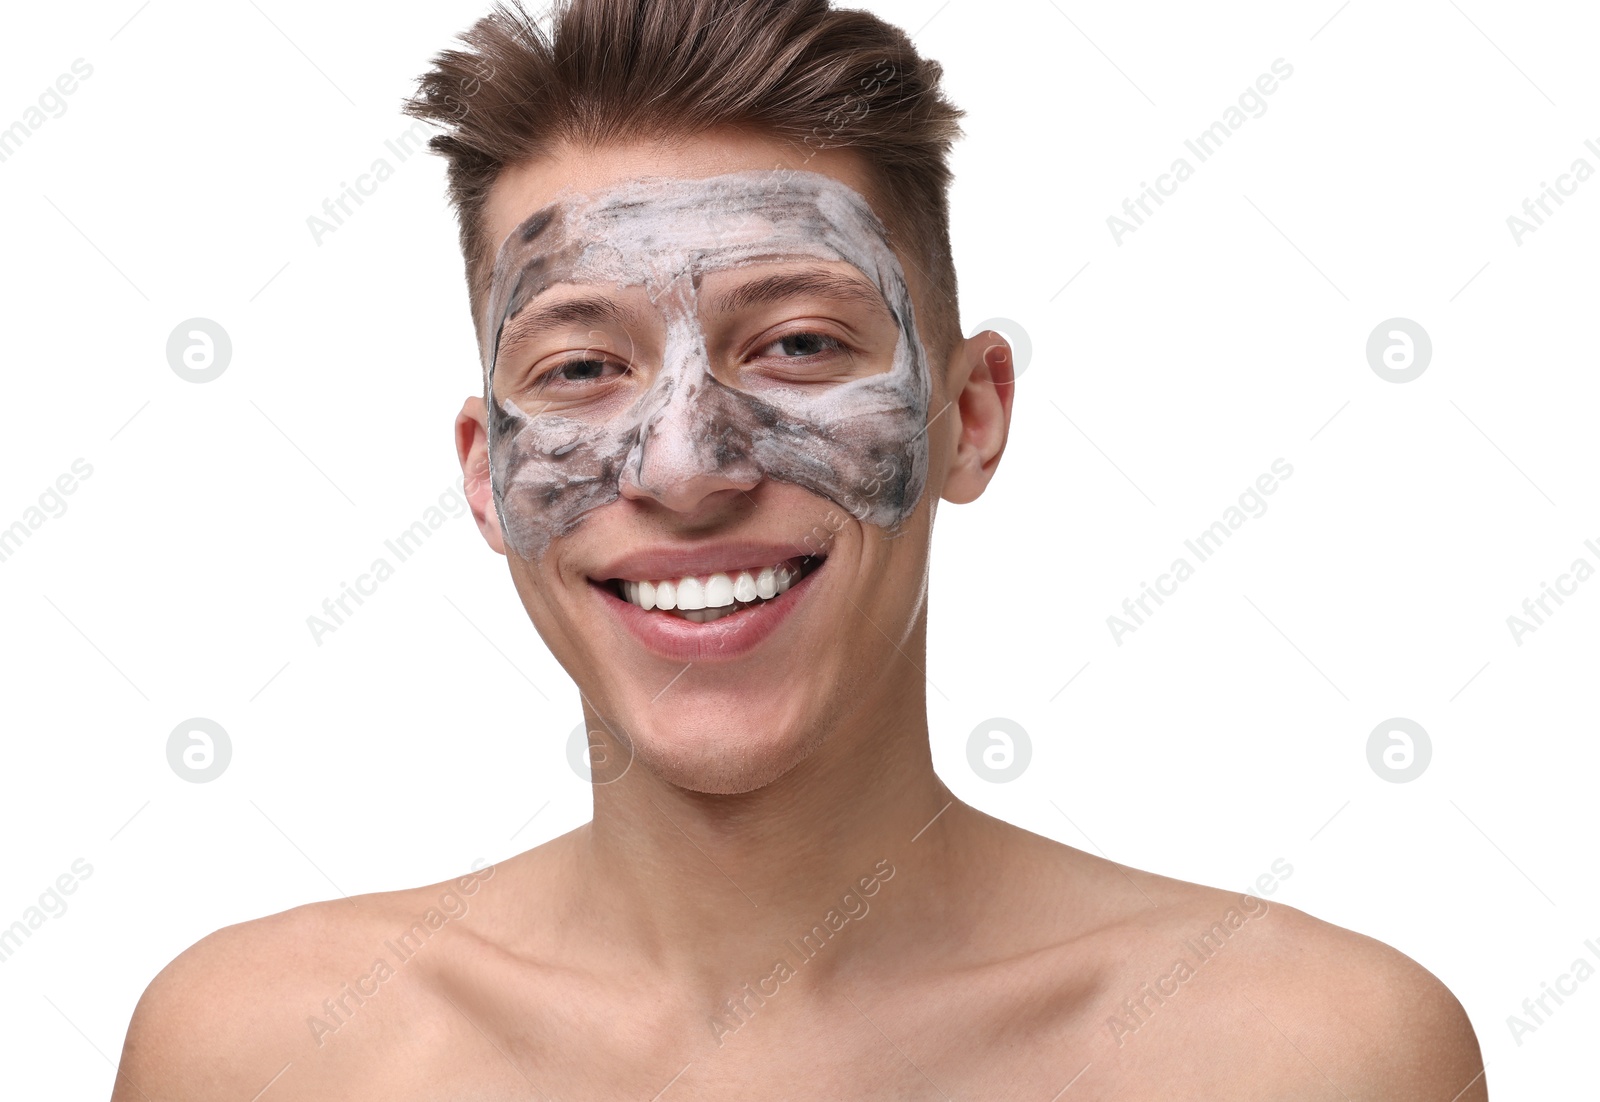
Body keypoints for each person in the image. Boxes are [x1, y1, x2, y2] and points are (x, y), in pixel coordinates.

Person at [111, 1, 1487, 1097]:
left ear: (970, 415)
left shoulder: (1316, 1057)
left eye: (802, 343)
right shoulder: (258, 1056)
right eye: (585, 364)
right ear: (488, 474)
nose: (691, 465)